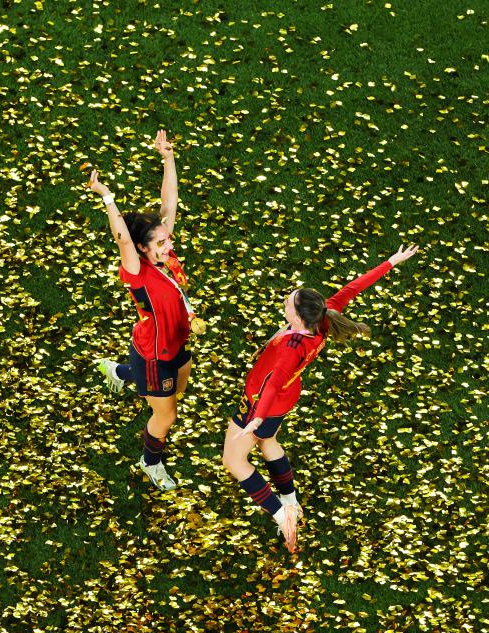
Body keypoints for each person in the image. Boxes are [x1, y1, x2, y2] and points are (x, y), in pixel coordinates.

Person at [222, 245, 419, 552]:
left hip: (263, 401)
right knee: (268, 442)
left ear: (298, 316)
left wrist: (257, 417)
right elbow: (351, 289)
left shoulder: (291, 349)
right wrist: (390, 261)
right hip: (285, 398)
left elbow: (273, 383)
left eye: (289, 303)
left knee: (234, 460)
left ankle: (282, 514)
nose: (285, 303)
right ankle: (290, 500)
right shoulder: (322, 319)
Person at [86, 130, 194, 491]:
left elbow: (170, 203)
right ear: (142, 248)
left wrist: (168, 157)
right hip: (154, 354)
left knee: (175, 391)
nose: (169, 243)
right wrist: (107, 196)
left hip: (177, 343)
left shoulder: (164, 255)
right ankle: (150, 461)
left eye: (168, 238)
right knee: (166, 415)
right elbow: (121, 237)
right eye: (161, 241)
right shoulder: (137, 271)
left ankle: (119, 372)